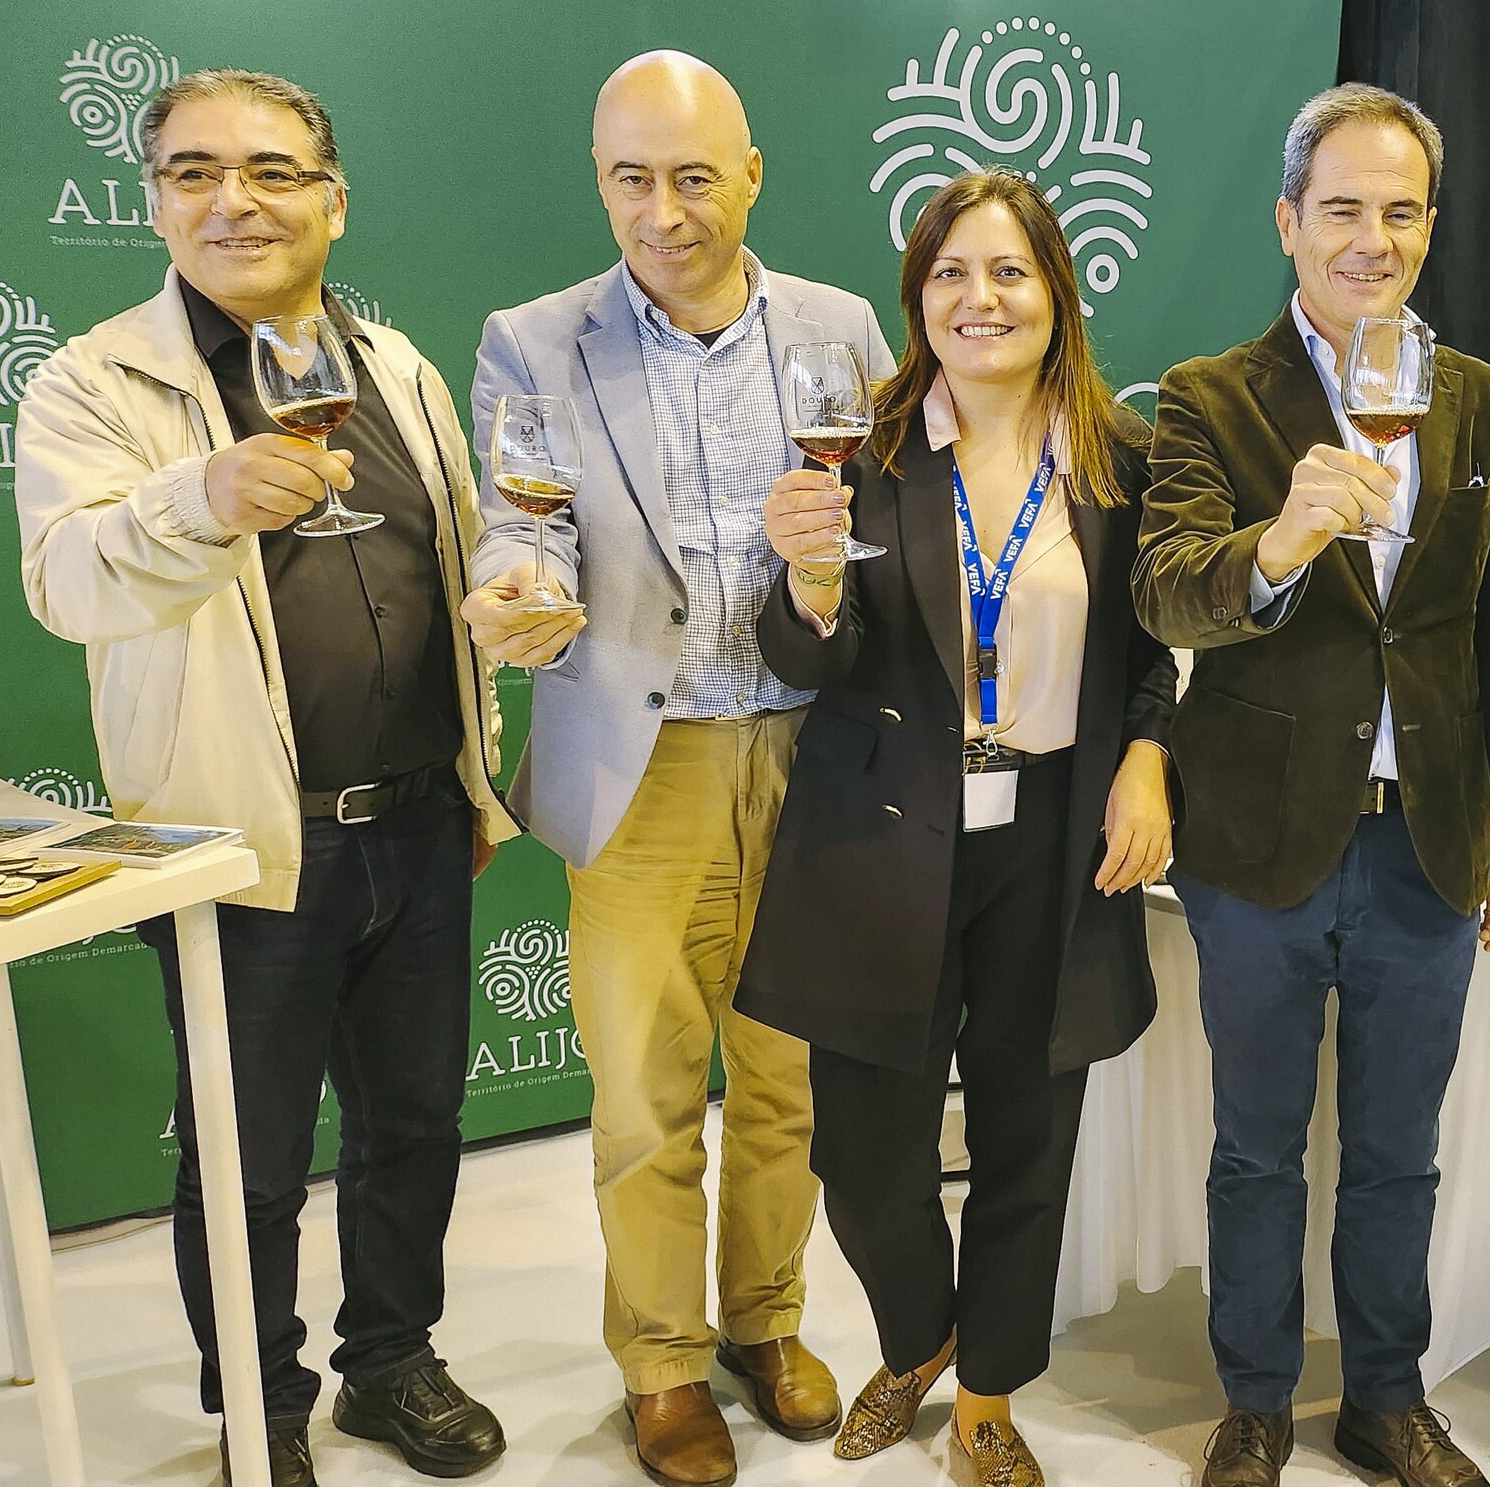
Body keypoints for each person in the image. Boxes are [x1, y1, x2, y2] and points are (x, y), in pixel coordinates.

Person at [14, 69, 516, 1487]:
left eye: (272, 171)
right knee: (244, 1161)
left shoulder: (396, 365)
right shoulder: (95, 380)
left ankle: (391, 1362)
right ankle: (259, 1397)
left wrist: (500, 665)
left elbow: (453, 562)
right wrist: (201, 497)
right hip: (239, 845)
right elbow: (63, 581)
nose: (232, 200)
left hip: (419, 823)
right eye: (193, 172)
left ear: (333, 202)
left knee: (415, 1124)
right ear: (155, 201)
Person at [456, 51, 893, 1487]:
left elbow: (878, 528)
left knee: (786, 1077)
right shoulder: (533, 339)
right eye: (632, 179)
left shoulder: (838, 328)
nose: (664, 211)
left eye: (695, 177)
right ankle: (660, 1360)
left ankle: (766, 1319)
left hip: (814, 755)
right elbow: (520, 517)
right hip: (641, 768)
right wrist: (518, 586)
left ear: (751, 175)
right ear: (599, 182)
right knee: (645, 1095)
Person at [1134, 83, 1490, 1487]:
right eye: (1342, 209)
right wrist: (1280, 539)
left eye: (1401, 211)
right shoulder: (1207, 395)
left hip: (1428, 844)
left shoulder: (1484, 399)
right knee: (1256, 1146)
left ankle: (1385, 1394)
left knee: (1397, 1149)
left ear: (1430, 226)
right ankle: (1255, 1396)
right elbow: (1167, 590)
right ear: (1287, 222)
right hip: (1257, 839)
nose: (1372, 239)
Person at [732, 169, 1176, 1487]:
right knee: (864, 1154)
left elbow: (1150, 649)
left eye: (1009, 272)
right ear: (917, 297)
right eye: (949, 273)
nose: (979, 299)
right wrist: (809, 584)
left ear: (1057, 294)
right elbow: (801, 659)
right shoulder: (856, 454)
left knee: (1029, 1139)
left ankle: (986, 1393)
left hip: (1055, 837)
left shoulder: (1122, 459)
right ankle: (919, 1335)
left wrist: (1148, 754)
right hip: (880, 840)